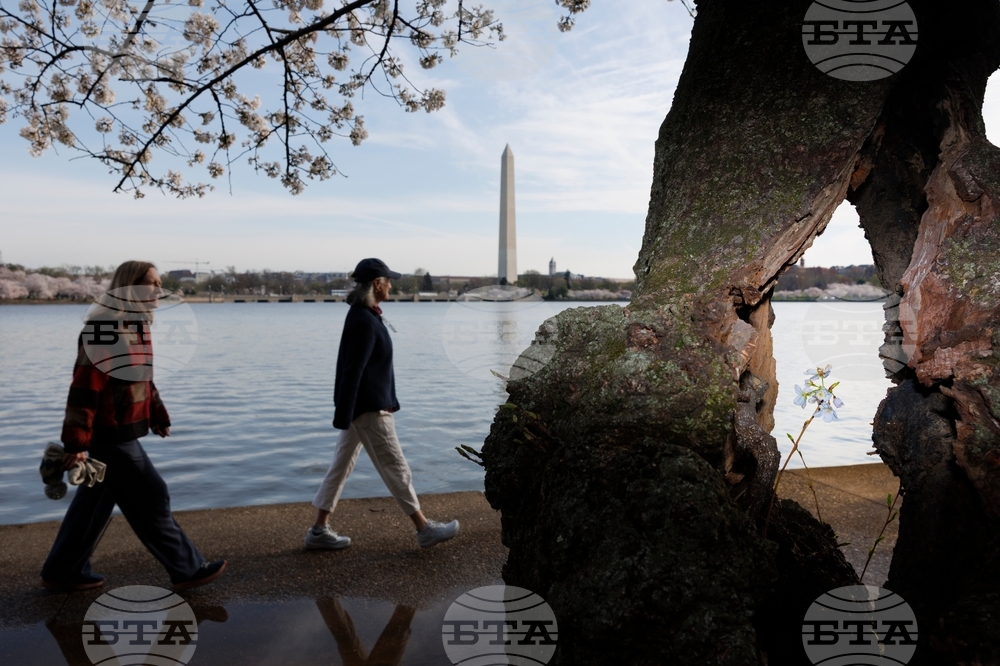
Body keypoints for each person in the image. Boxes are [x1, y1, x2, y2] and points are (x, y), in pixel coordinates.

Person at [40, 261, 227, 591]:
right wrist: (76, 442)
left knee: (94, 503)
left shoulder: (137, 325)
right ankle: (187, 568)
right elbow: (83, 388)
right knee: (153, 494)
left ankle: (62, 571)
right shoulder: (104, 327)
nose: (159, 290)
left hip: (120, 429)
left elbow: (143, 380)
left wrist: (157, 414)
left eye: (158, 283)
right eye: (151, 283)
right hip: (108, 434)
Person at [306, 258, 459, 550]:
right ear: (377, 284)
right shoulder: (364, 319)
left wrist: (346, 411)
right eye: (388, 281)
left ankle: (318, 530)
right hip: (369, 409)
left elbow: (365, 368)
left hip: (360, 407)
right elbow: (353, 369)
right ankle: (424, 528)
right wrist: (345, 413)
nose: (391, 285)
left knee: (340, 467)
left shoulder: (364, 314)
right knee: (396, 467)